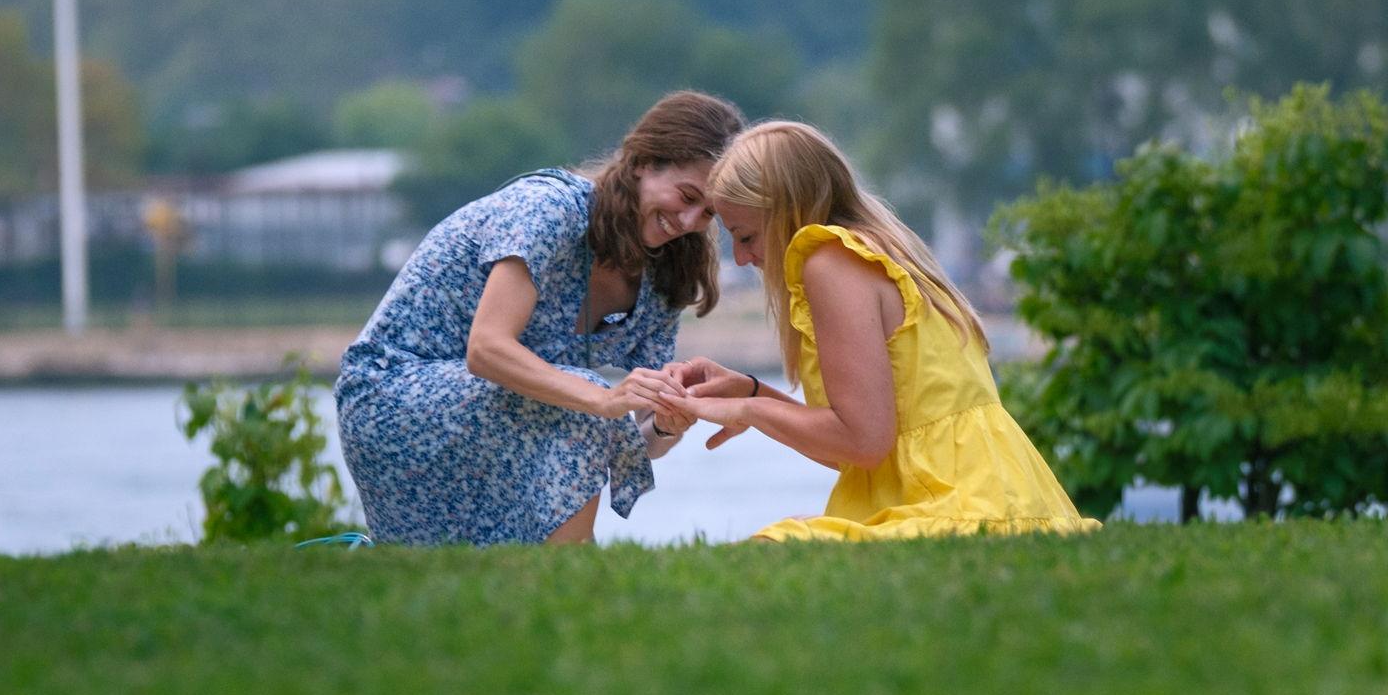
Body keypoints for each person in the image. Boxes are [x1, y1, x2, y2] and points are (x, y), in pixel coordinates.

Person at [335, 90, 745, 545]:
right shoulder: (549, 209)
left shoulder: (665, 274)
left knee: (582, 404)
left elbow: (635, 439)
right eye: (686, 196)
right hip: (387, 397)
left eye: (707, 212)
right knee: (583, 397)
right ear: (643, 163)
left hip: (494, 415)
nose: (688, 221)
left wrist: (668, 422)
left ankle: (560, 571)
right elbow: (486, 350)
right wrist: (601, 399)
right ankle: (574, 573)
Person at [659, 120, 1098, 544]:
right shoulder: (874, 250)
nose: (741, 258)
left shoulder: (830, 262)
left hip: (958, 504)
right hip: (992, 492)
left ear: (788, 213)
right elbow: (863, 449)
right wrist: (752, 393)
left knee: (771, 547)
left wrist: (747, 411)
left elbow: (864, 442)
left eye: (746, 236)